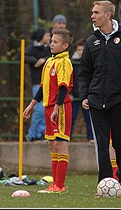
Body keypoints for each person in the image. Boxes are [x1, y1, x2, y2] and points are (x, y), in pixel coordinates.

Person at [79, 0, 121, 190]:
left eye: (96, 12)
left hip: (119, 102)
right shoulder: (91, 42)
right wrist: (85, 96)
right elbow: (84, 73)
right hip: (96, 101)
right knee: (102, 145)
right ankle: (104, 182)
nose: (92, 16)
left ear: (108, 15)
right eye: (92, 12)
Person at [23, 29, 74, 193]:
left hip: (60, 107)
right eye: (51, 41)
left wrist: (57, 108)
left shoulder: (64, 62)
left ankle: (59, 185)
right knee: (52, 144)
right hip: (48, 107)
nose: (51, 44)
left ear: (65, 45)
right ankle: (55, 184)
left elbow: (63, 87)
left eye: (56, 42)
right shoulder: (49, 61)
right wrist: (32, 105)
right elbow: (43, 87)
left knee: (60, 142)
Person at [24, 27, 52, 142]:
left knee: (45, 109)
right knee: (39, 109)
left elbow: (52, 57)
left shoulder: (49, 49)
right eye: (47, 36)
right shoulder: (32, 49)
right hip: (37, 82)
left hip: (49, 82)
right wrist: (36, 61)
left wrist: (43, 60)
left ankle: (40, 132)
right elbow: (25, 57)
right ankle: (32, 134)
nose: (49, 38)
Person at [70, 38, 94, 142]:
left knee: (89, 118)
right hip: (74, 94)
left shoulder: (90, 62)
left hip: (87, 95)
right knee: (71, 117)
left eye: (83, 50)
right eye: (79, 50)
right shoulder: (71, 62)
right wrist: (70, 92)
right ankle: (68, 136)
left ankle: (91, 137)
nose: (80, 52)